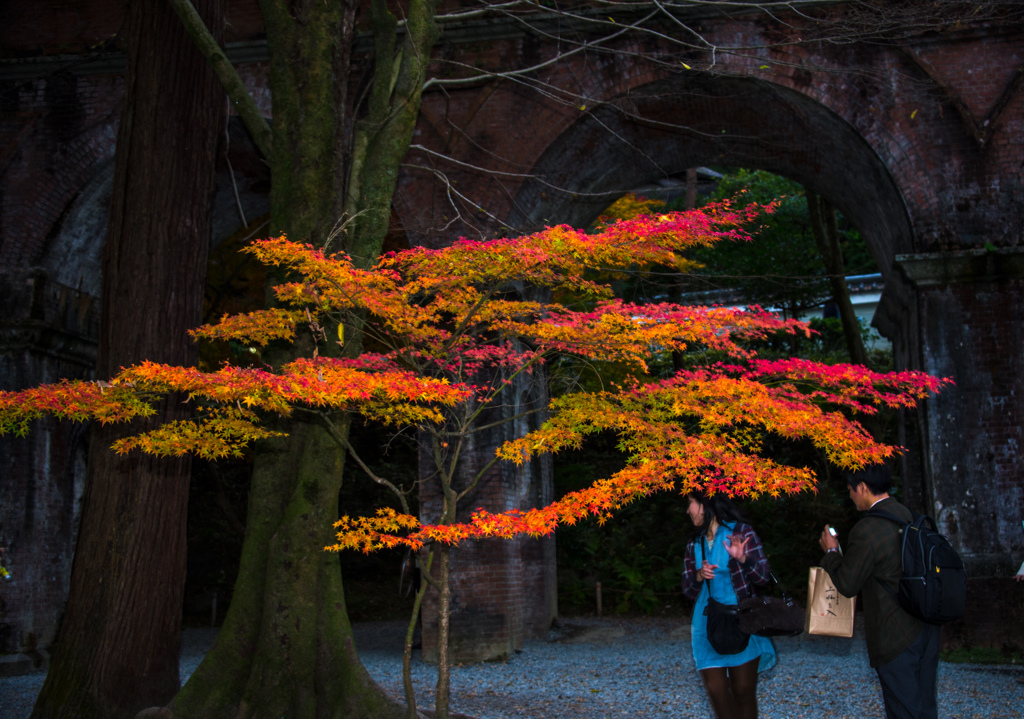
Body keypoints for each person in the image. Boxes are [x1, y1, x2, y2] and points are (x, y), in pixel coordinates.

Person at [818, 464, 941, 719]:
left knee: (903, 710)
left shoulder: (868, 529)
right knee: (925, 705)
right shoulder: (911, 516)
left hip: (894, 634)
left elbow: (848, 584)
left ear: (862, 488)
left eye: (851, 489)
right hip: (926, 626)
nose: (850, 495)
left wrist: (831, 552)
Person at [681, 492, 776, 719]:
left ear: (704, 505)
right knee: (717, 692)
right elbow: (687, 590)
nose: (688, 511)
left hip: (742, 620)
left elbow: (763, 577)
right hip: (706, 624)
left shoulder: (741, 532)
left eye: (690, 504)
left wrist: (744, 559)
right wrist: (698, 576)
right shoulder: (695, 542)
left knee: (743, 692)